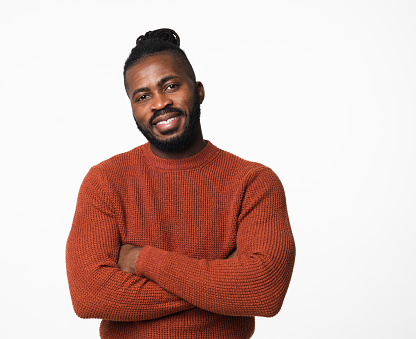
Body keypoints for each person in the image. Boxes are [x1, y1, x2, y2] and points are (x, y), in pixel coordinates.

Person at [66, 28, 296, 339]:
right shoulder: (106, 181)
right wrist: (218, 284)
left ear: (198, 90)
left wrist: (140, 259)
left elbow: (264, 291)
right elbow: (90, 295)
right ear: (133, 108)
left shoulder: (253, 182)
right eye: (143, 95)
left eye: (171, 86)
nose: (159, 103)